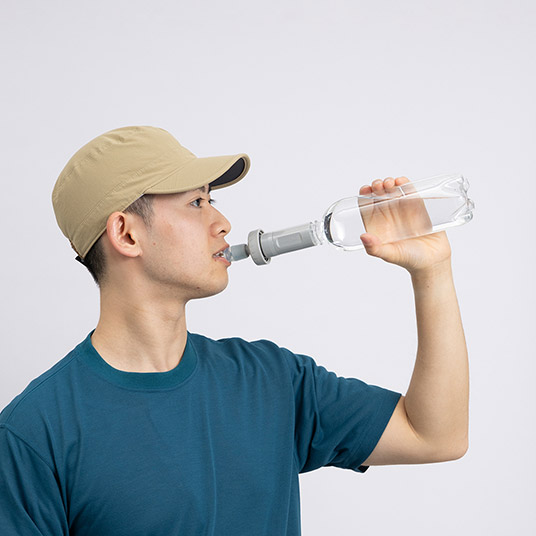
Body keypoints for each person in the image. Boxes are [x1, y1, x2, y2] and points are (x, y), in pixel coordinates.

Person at [0, 126, 469, 535]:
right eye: (196, 203)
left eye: (213, 200)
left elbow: (436, 436)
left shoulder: (271, 380)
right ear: (126, 234)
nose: (222, 223)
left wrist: (432, 270)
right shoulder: (33, 434)